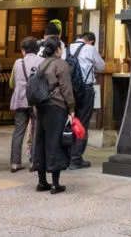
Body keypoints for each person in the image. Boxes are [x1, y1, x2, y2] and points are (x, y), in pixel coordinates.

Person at [31, 36, 74, 193]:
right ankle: (55, 183)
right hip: (56, 107)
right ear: (57, 49)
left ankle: (42, 181)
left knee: (40, 141)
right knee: (55, 142)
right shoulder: (60, 64)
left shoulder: (42, 64)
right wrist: (71, 108)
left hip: (41, 106)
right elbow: (66, 88)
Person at [68, 32, 105, 169]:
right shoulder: (90, 49)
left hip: (69, 91)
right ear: (90, 41)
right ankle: (76, 158)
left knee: (70, 121)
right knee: (82, 122)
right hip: (85, 89)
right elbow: (102, 66)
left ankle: (67, 155)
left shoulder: (67, 49)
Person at [9, 36, 43, 172]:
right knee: (36, 131)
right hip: (35, 101)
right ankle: (34, 162)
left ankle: (14, 162)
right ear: (37, 49)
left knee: (18, 131)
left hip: (20, 100)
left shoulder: (18, 63)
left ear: (23, 50)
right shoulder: (42, 61)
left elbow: (12, 83)